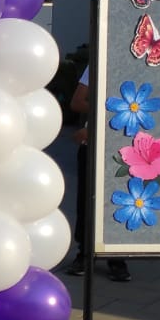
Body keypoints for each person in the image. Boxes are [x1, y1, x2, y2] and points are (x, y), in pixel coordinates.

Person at [61, 66, 131, 282]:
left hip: (126, 144)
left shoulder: (137, 63)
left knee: (119, 200)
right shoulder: (97, 63)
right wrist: (109, 113)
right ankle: (84, 254)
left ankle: (116, 257)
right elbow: (77, 101)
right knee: (87, 199)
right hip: (93, 141)